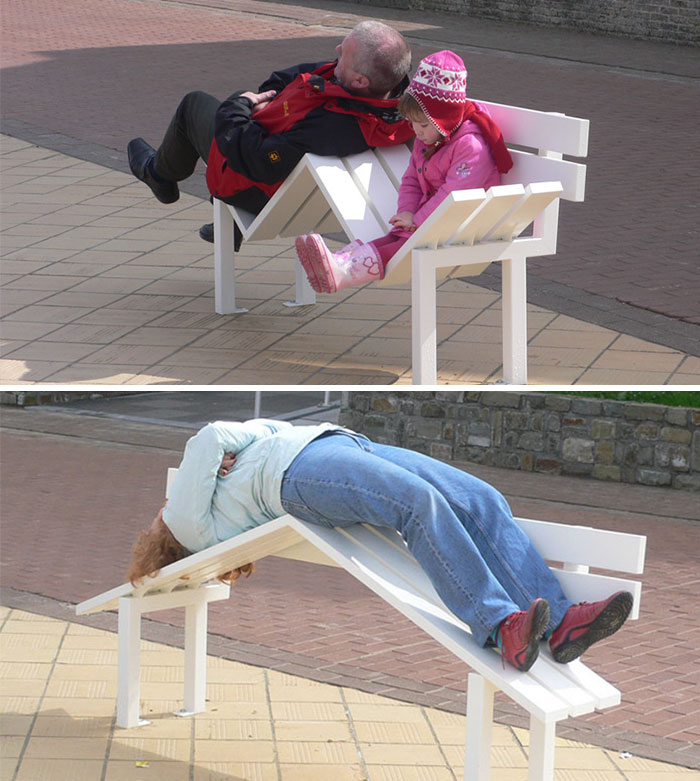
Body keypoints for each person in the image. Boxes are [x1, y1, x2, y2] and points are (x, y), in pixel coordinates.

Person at [128, 419, 634, 672]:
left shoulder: (201, 511)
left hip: (339, 443)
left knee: (479, 498)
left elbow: (224, 442)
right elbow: (213, 434)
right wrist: (245, 443)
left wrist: (241, 447)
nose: (152, 517)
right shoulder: (186, 523)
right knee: (417, 503)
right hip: (297, 472)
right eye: (150, 527)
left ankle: (563, 622)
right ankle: (501, 626)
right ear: (164, 542)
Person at [127, 21, 414, 248]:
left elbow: (253, 158)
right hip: (300, 194)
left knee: (195, 105)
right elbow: (287, 78)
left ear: (359, 80)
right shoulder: (383, 98)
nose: (337, 49)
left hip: (260, 192)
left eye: (344, 54)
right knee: (243, 97)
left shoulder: (330, 124)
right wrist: (263, 101)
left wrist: (239, 108)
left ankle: (159, 175)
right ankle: (219, 215)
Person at [295, 50, 514, 293]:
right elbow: (411, 179)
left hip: (463, 221)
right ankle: (339, 263)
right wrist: (407, 212)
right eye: (411, 122)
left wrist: (417, 219)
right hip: (435, 217)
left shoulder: (470, 146)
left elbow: (453, 196)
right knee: (395, 237)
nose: (416, 131)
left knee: (403, 243)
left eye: (422, 125)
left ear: (447, 119)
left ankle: (343, 270)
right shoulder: (431, 136)